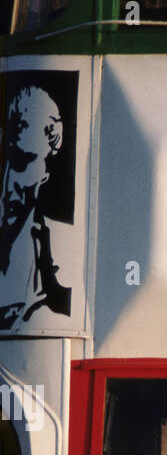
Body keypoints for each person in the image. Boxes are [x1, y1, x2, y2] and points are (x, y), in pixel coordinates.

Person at [0, 85, 71, 330]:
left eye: (23, 163)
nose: (9, 183)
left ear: (44, 171)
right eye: (6, 163)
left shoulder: (66, 243)